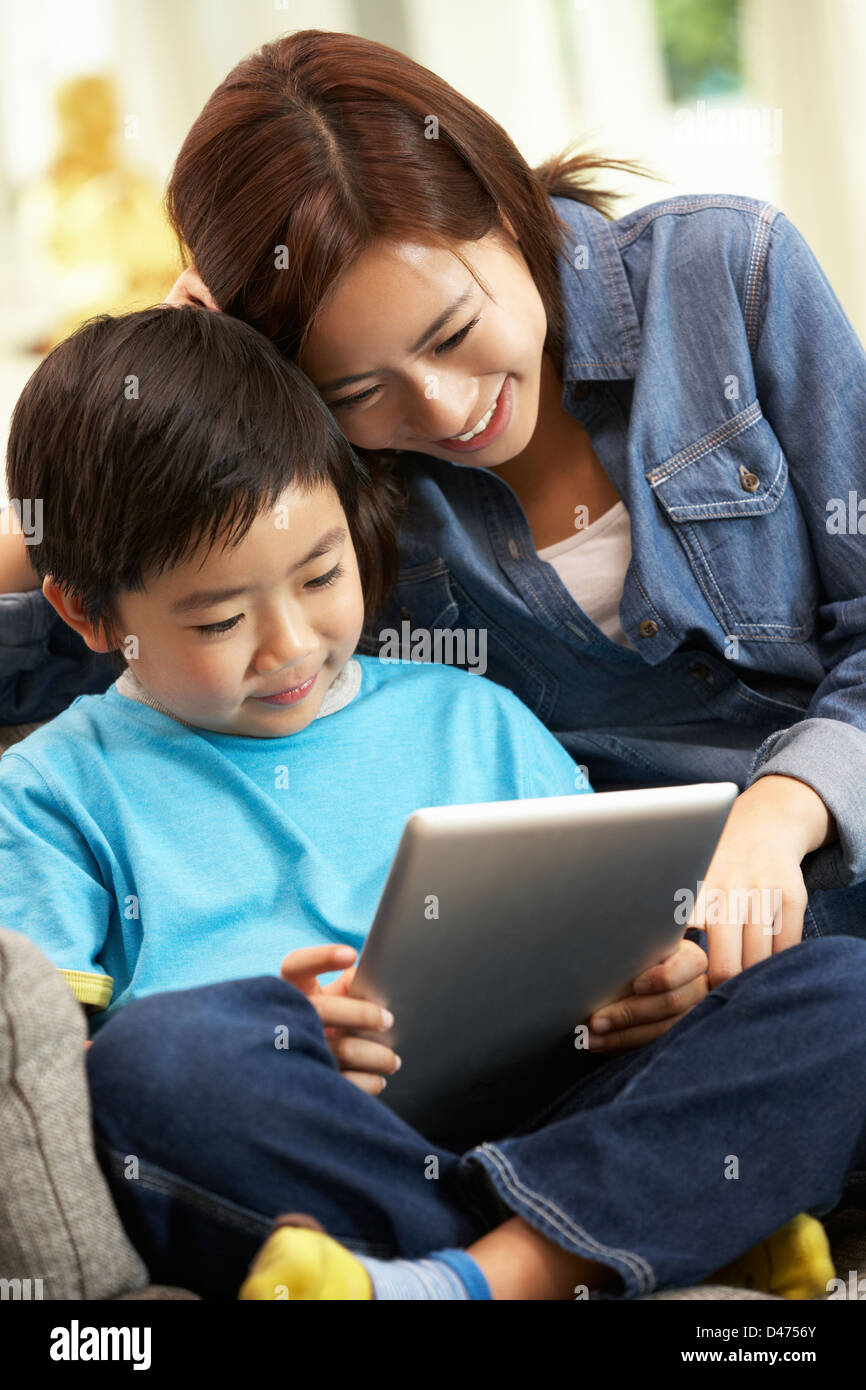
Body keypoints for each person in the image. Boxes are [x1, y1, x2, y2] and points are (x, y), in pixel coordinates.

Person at [2, 301, 865, 1302]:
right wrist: (278, 1027)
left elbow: (619, 941)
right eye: (220, 617)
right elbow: (48, 1092)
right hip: (310, 1146)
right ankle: (619, 1241)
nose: (288, 646)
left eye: (321, 574)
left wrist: (657, 985)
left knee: (836, 989)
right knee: (152, 1069)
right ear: (88, 612)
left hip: (553, 1110)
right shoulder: (53, 791)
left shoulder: (474, 717)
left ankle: (463, 1280)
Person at [3, 29, 864, 987]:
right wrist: (192, 391)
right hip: (634, 971)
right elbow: (110, 613)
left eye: (453, 331)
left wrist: (787, 801)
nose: (446, 410)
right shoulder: (331, 488)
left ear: (503, 202)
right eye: (357, 388)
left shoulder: (725, 275)